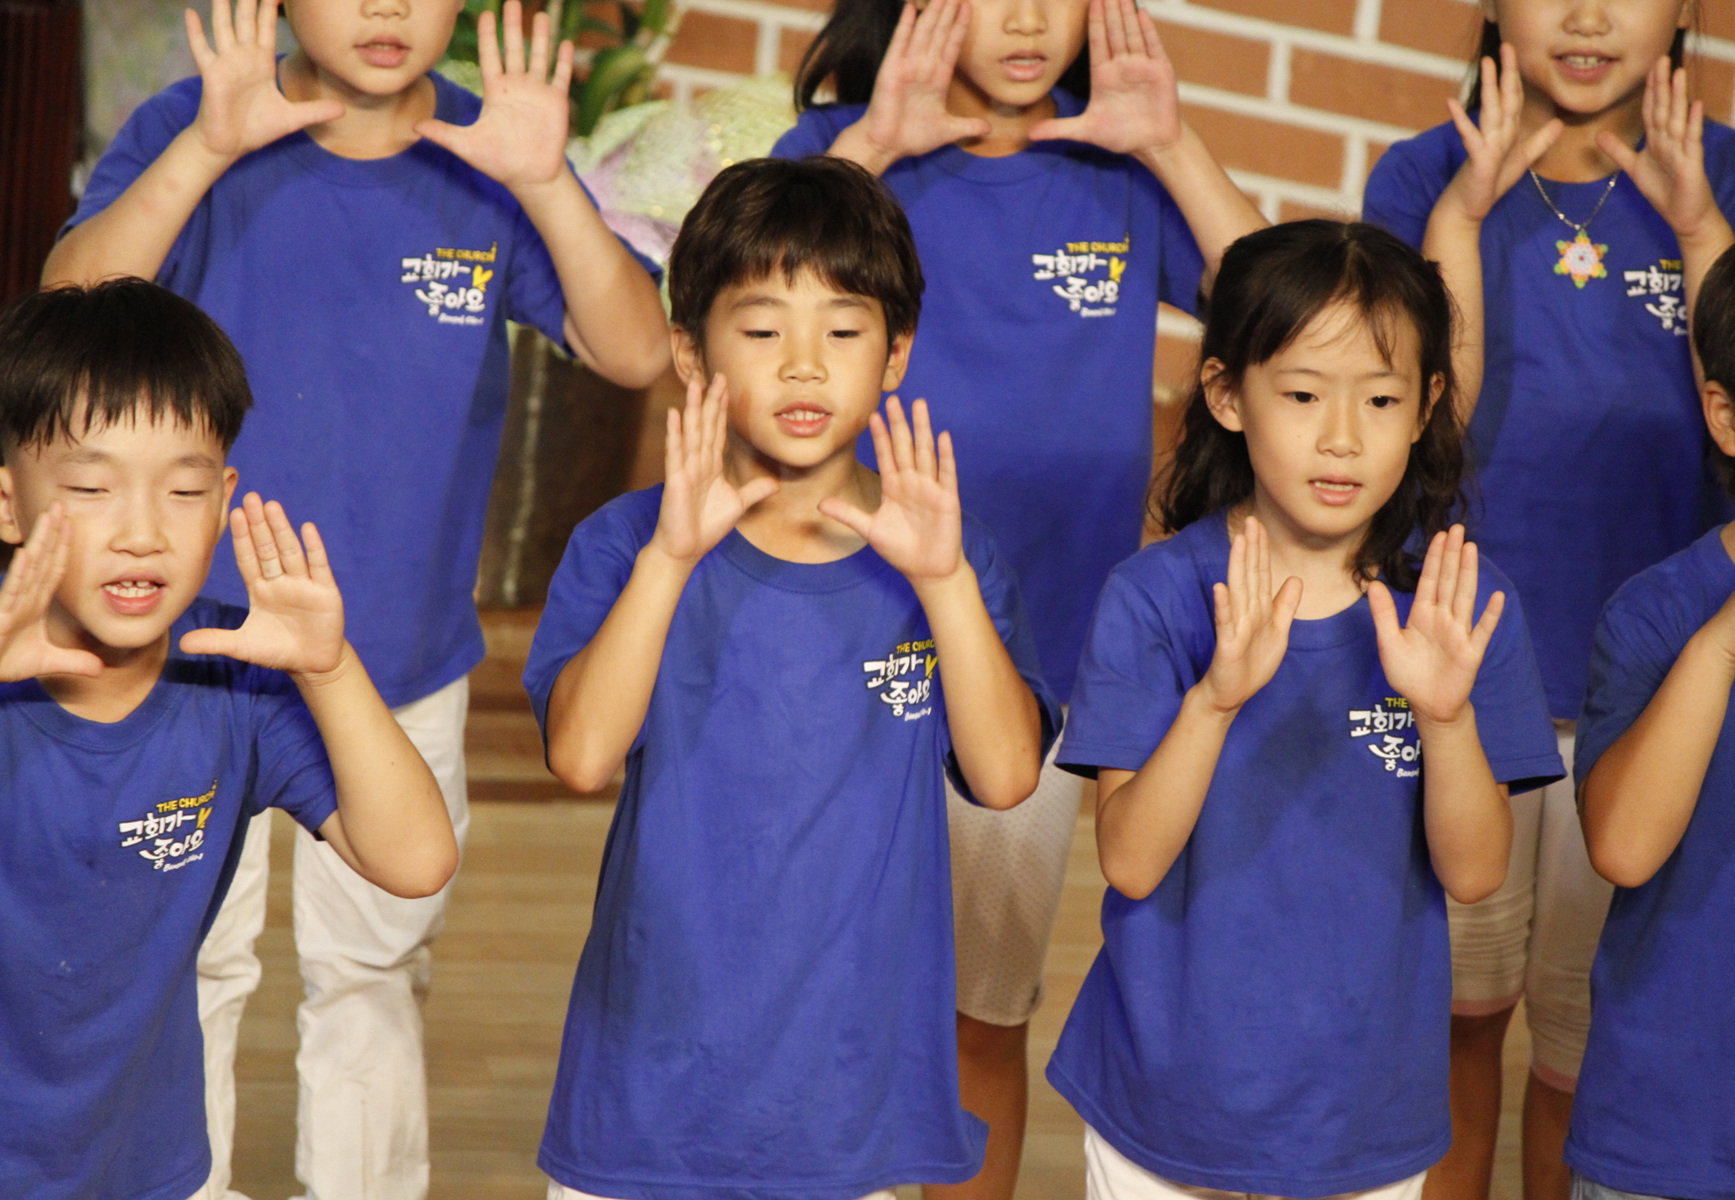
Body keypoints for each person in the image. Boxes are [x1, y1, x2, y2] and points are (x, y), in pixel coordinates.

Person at [40, 1, 668, 1196]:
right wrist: (207, 147)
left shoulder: (491, 150)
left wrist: (544, 183)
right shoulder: (198, 121)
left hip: (392, 656)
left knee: (373, 968)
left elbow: (638, 352)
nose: (387, 8)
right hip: (181, 659)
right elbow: (67, 301)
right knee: (186, 963)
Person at [773, 0, 1265, 1189]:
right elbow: (720, 301)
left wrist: (1171, 143)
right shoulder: (841, 150)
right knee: (804, 991)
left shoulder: (1120, 164)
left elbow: (1291, 312)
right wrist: (876, 143)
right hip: (824, 642)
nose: (1032, 18)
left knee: (980, 1014)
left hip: (1031, 661)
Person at [521, 155, 1059, 1200]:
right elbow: (581, 756)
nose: (805, 367)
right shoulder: (627, 544)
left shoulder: (947, 558)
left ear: (897, 354)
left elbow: (1006, 779)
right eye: (764, 331)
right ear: (692, 351)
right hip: (650, 1085)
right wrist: (670, 562)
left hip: (849, 1099)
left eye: (844, 332)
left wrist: (945, 583)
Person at [1360, 4, 1735, 1195]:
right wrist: (1460, 217)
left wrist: (1699, 228)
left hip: (1657, 693)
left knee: (1578, 1042)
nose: (1592, 16)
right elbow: (1420, 423)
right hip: (1471, 668)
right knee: (1454, 1020)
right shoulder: (1423, 173)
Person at [1047, 220, 1565, 1200]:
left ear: (1427, 406)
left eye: (1381, 399)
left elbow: (1475, 873)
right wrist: (1215, 701)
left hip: (1363, 1113)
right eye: (1301, 395)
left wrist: (1446, 719)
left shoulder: (1457, 606)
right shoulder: (1155, 596)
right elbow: (1131, 860)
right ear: (1226, 395)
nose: (1342, 437)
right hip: (1164, 1102)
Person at [0, 279, 458, 1200]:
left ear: (224, 502)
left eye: (183, 490)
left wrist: (329, 670)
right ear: (9, 504)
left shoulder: (234, 676)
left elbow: (415, 860)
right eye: (90, 487)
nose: (141, 532)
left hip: (141, 1161)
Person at [1565, 223, 1735, 1200]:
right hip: (1667, 1142)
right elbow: (1622, 848)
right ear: (1726, 415)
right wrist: (1724, 645)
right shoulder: (1658, 615)